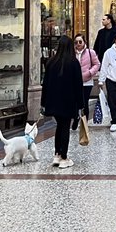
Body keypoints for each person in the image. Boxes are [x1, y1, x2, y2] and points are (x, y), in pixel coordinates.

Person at [40, 35, 83, 169]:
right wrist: (81, 105)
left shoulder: (51, 62)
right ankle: (63, 157)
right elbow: (78, 85)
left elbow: (45, 84)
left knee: (59, 126)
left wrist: (43, 103)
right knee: (65, 128)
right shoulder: (73, 62)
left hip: (53, 101)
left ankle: (57, 154)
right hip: (68, 101)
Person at [74, 33, 100, 120]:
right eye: (76, 42)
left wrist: (90, 72)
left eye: (80, 42)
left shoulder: (90, 52)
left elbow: (97, 64)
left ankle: (85, 122)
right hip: (75, 82)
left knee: (84, 102)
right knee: (76, 102)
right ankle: (76, 119)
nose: (78, 44)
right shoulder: (72, 53)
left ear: (84, 42)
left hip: (87, 82)